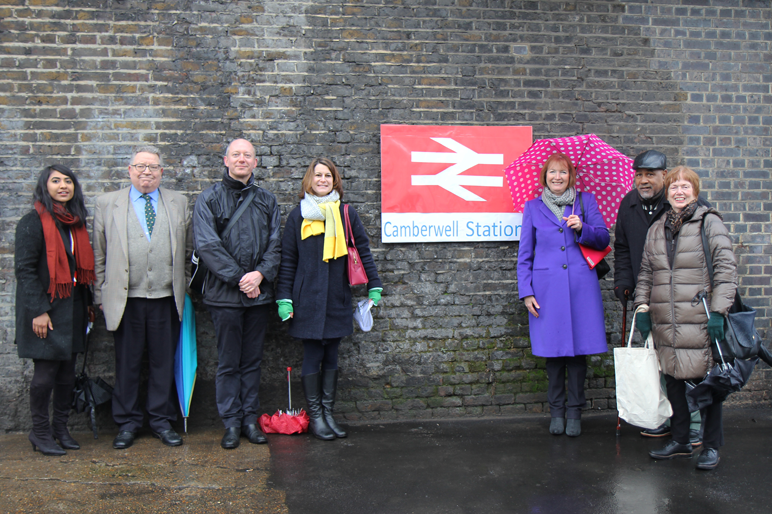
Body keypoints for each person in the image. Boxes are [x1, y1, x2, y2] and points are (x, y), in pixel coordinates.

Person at [635, 166, 736, 470]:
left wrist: (719, 312)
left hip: (699, 318)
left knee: (707, 384)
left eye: (685, 187)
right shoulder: (657, 227)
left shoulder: (709, 222)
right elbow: (646, 273)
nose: (679, 192)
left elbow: (726, 269)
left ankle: (711, 445)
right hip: (665, 319)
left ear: (695, 190)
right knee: (673, 382)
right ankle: (680, 439)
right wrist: (642, 307)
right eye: (674, 187)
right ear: (667, 192)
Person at [276, 157, 382, 441]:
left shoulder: (346, 213)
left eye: (328, 176)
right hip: (306, 299)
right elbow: (287, 261)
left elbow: (363, 252)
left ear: (335, 181)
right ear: (309, 180)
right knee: (312, 355)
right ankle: (315, 417)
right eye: (317, 175)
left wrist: (375, 285)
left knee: (332, 355)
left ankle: (327, 413)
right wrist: (284, 298)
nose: (322, 180)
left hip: (337, 296)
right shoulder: (297, 216)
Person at [93, 146, 192, 450]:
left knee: (164, 362)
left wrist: (184, 284)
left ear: (162, 172)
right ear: (129, 170)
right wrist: (100, 293)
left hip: (165, 296)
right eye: (140, 166)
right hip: (126, 299)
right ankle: (127, 422)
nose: (147, 172)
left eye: (153, 167)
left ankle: (161, 421)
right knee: (127, 363)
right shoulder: (107, 203)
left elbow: (188, 252)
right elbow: (99, 252)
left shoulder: (178, 202)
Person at [193, 138, 281, 449]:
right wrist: (240, 278)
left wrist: (260, 274)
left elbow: (275, 245)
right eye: (236, 154)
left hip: (258, 296)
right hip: (224, 296)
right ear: (226, 160)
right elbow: (207, 246)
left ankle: (249, 419)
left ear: (255, 163)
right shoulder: (209, 199)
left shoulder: (267, 201)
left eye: (248, 155)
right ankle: (230, 422)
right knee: (228, 362)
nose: (242, 159)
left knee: (252, 362)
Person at [516, 153, 609, 437]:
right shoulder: (532, 207)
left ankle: (575, 413)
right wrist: (526, 292)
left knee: (578, 353)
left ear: (571, 176)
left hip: (581, 287)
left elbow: (604, 238)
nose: (558, 177)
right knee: (553, 354)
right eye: (552, 172)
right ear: (544, 176)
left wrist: (583, 228)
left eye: (563, 172)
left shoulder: (585, 202)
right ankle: (556, 411)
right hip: (546, 291)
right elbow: (525, 254)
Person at [614, 150, 704, 443]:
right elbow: (623, 249)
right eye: (639, 174)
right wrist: (623, 281)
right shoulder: (627, 205)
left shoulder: (681, 203)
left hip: (681, 297)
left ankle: (695, 422)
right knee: (658, 361)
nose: (643, 180)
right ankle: (669, 417)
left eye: (650, 174)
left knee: (687, 361)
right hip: (647, 294)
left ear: (664, 176)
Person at [15, 165, 95, 456]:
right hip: (46, 311)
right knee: (45, 375)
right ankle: (39, 431)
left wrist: (88, 306)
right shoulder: (32, 222)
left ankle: (61, 428)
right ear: (44, 186)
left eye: (68, 181)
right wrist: (38, 310)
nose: (63, 186)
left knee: (66, 375)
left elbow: (79, 270)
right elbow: (24, 271)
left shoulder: (75, 223)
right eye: (56, 181)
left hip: (72, 307)